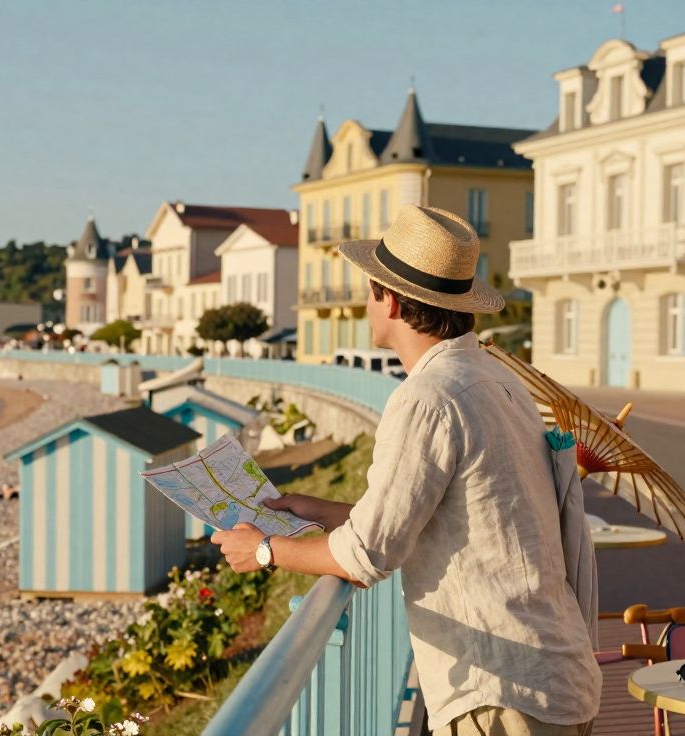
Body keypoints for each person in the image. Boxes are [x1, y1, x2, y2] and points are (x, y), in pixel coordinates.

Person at [212, 206, 601, 735]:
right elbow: (447, 514)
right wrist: (320, 511)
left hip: (499, 692)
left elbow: (366, 555)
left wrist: (262, 551)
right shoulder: (499, 380)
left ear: (390, 301)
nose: (365, 305)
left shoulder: (427, 398)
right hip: (556, 672)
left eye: (369, 292)